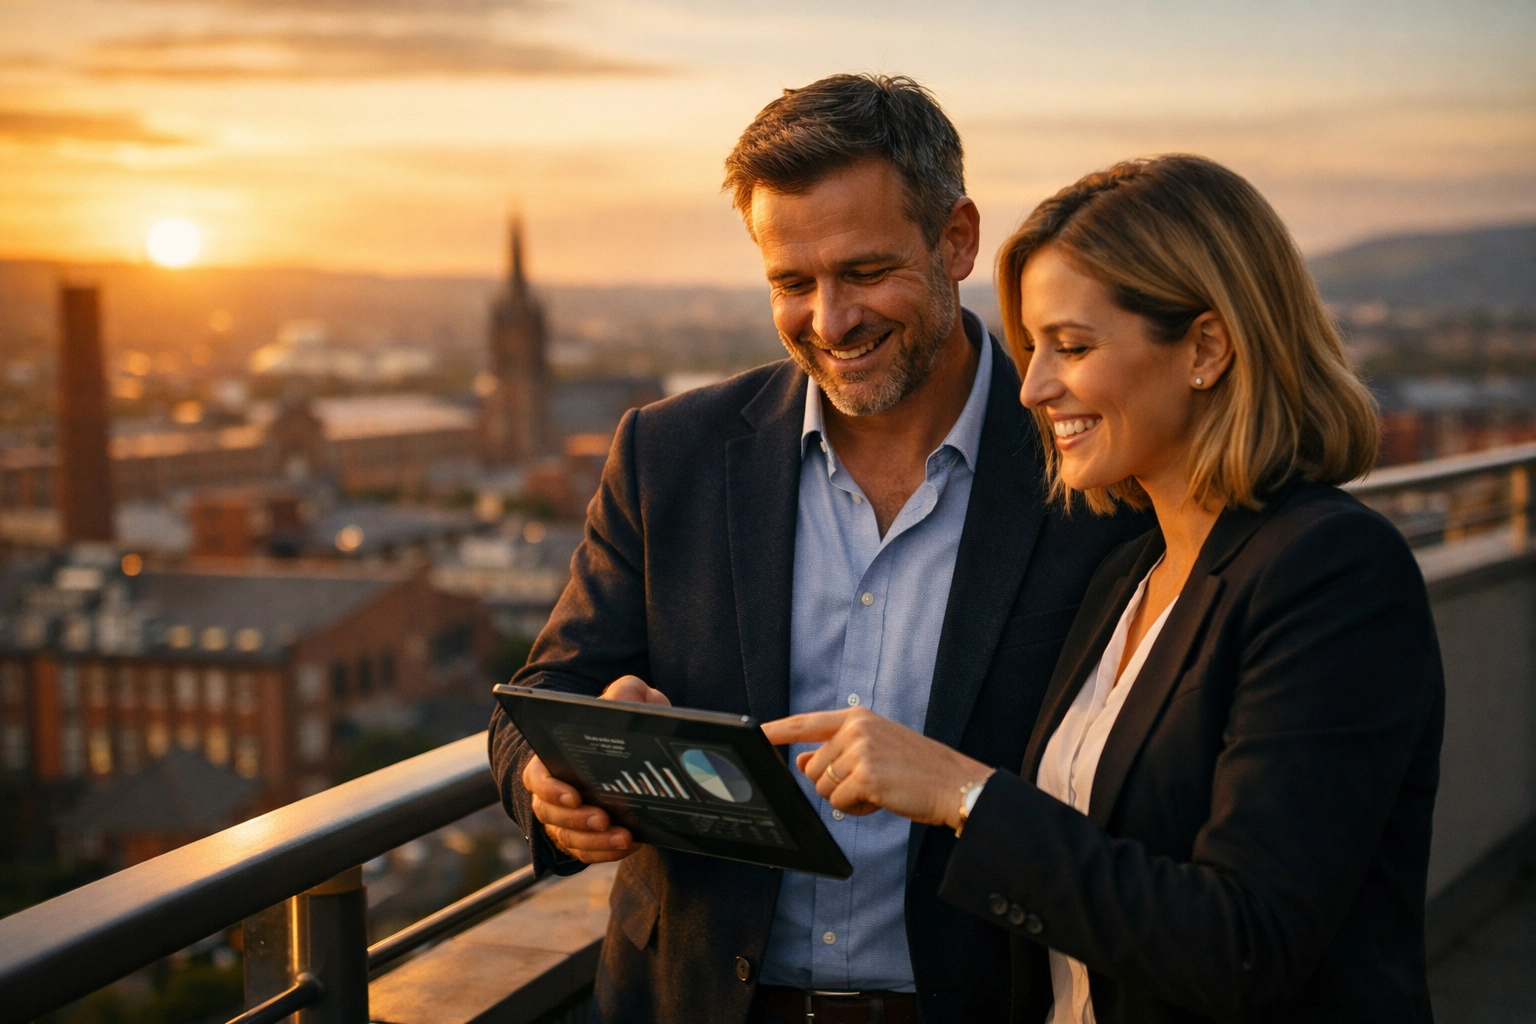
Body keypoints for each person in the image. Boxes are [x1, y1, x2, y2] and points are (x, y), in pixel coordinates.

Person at [487, 75, 1148, 1024]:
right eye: (792, 284)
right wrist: (550, 784)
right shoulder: (668, 454)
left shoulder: (1093, 462)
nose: (830, 322)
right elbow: (539, 696)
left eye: (865, 272)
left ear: (956, 240)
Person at [764, 155, 1445, 1023]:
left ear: (1205, 347)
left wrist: (964, 795)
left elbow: (1246, 942)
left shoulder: (1334, 570)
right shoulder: (1130, 571)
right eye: (1032, 347)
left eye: (1072, 347)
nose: (1038, 386)